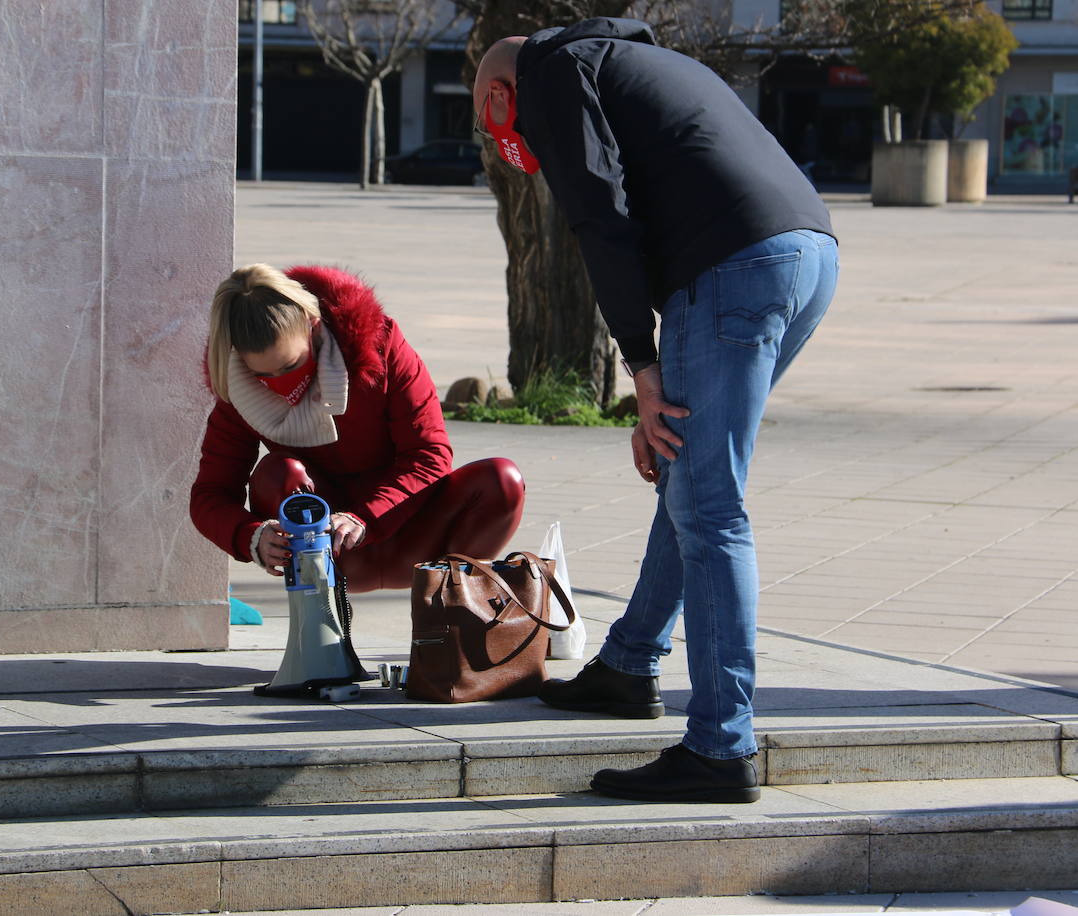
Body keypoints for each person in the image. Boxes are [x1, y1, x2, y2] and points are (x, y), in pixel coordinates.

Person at [473, 18, 839, 803]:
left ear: (503, 94)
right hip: (808, 253)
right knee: (688, 470)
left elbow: (600, 216)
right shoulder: (636, 57)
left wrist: (639, 363)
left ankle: (719, 748)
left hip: (734, 265)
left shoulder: (552, 73)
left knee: (709, 507)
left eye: (523, 136)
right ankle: (630, 664)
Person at [190, 263, 525, 593]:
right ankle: (316, 621)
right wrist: (253, 535)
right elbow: (210, 494)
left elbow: (429, 454)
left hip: (411, 531)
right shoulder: (237, 387)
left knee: (501, 479)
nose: (280, 383)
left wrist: (364, 518)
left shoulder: (381, 345)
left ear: (313, 325)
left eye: (291, 365)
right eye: (263, 376)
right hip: (330, 549)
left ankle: (453, 607)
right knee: (278, 472)